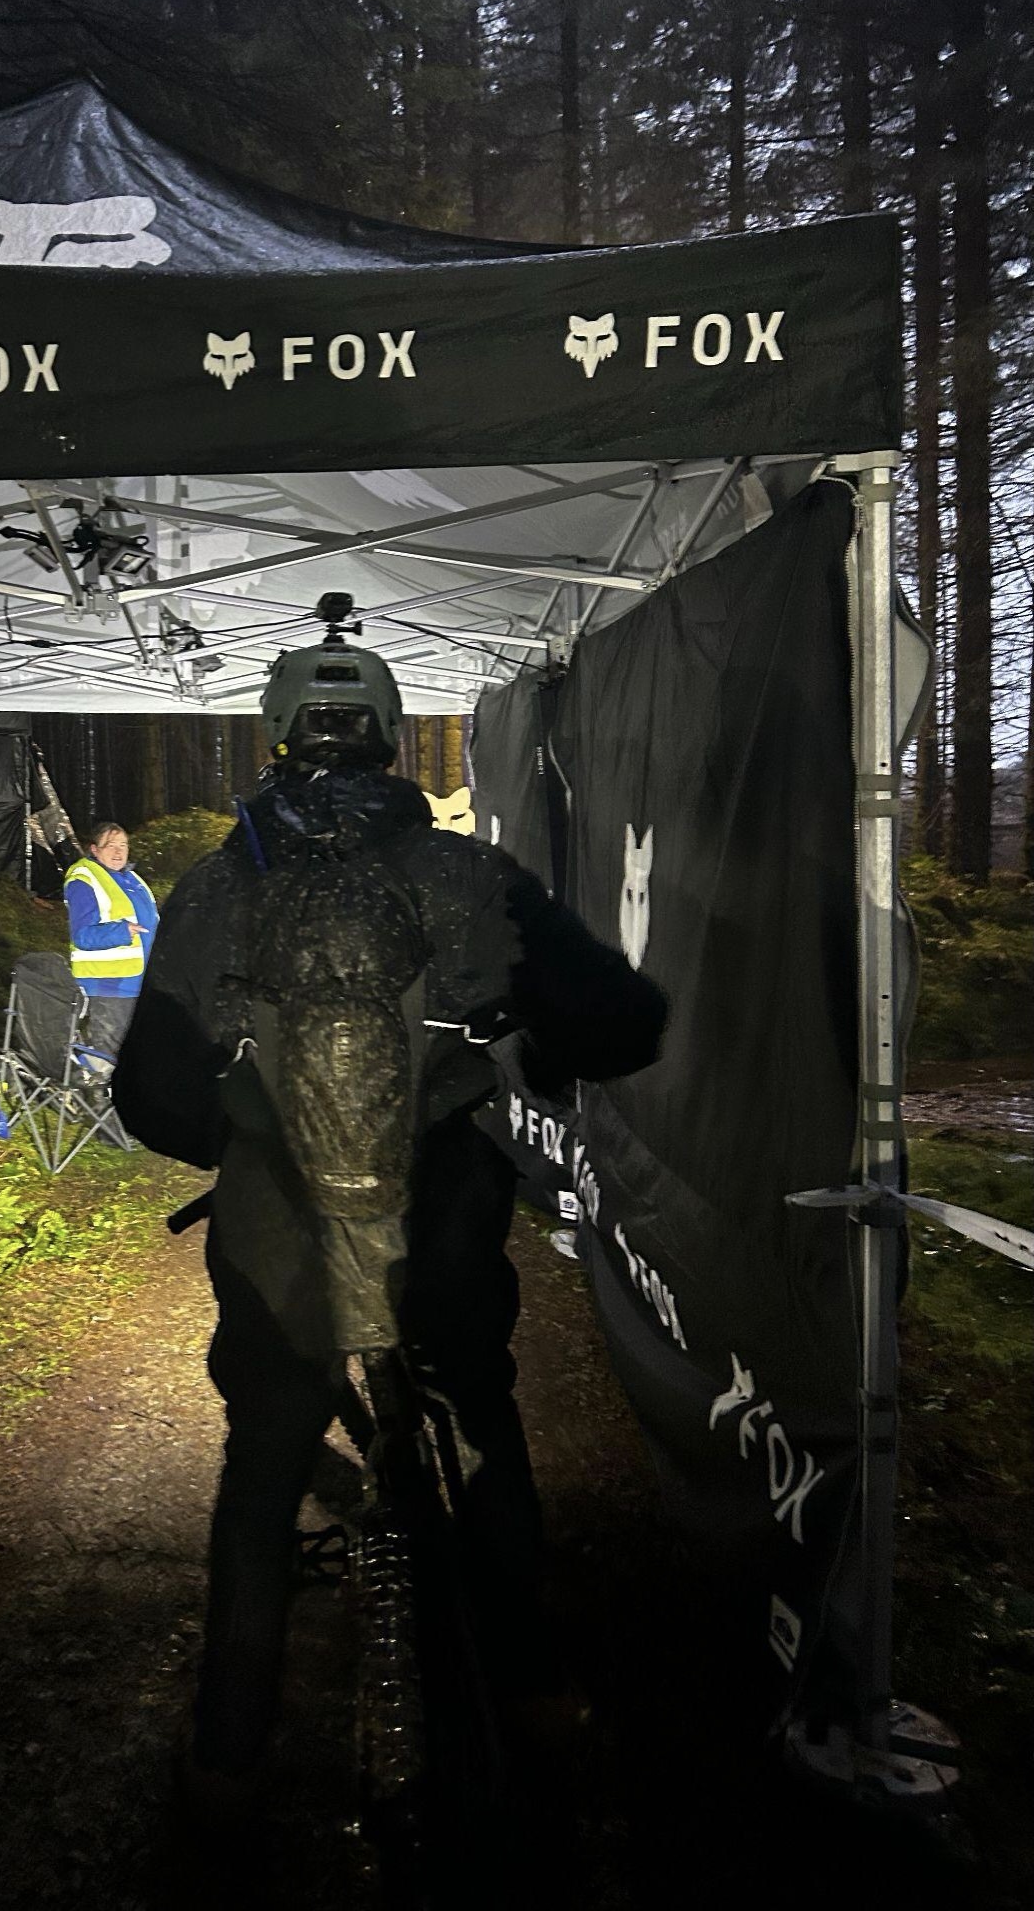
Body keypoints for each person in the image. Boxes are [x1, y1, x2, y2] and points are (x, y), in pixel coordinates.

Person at [112, 601, 668, 1802]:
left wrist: (242, 1132)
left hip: (273, 1225)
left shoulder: (211, 888)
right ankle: (527, 1677)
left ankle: (228, 1729)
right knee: (474, 1403)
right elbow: (625, 1019)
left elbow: (149, 1095)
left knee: (264, 1448)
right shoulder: (472, 871)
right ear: (384, 732)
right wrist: (538, 1044)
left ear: (274, 733)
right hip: (443, 1211)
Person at [62, 821, 158, 1059]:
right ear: (95, 849)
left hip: (139, 984)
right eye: (110, 845)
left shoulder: (133, 879)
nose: (119, 851)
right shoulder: (84, 879)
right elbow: (82, 935)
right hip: (109, 987)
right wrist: (122, 932)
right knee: (109, 1056)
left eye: (123, 845)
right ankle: (92, 1094)